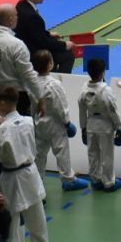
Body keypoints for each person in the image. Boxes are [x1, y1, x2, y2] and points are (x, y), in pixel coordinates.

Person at [0, 84, 49, 242]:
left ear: (1, 104)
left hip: (11, 179)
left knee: (10, 230)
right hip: (31, 175)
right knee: (39, 230)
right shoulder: (29, 121)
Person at [33, 50, 87, 193]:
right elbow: (60, 106)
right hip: (55, 124)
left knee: (39, 153)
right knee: (61, 151)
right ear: (51, 64)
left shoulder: (31, 83)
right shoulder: (54, 84)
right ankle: (68, 180)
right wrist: (67, 123)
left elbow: (32, 106)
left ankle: (37, 180)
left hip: (38, 123)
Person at [79, 55, 121, 191]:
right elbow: (113, 111)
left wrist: (83, 128)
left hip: (90, 124)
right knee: (107, 155)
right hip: (105, 126)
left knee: (92, 154)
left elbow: (81, 111)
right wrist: (119, 127)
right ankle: (109, 182)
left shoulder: (84, 89)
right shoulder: (106, 91)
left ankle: (96, 180)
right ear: (103, 72)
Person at [15, 0, 69, 68]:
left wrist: (48, 34)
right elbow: (42, 42)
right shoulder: (32, 16)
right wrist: (65, 45)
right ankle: (55, 79)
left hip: (24, 45)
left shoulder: (20, 5)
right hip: (32, 52)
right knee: (67, 55)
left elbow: (32, 31)